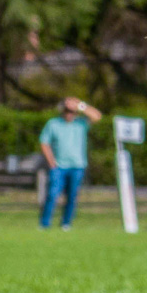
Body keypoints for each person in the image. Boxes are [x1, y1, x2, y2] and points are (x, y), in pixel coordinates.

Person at [38, 97, 103, 230]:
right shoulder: (53, 123)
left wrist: (80, 105)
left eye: (72, 111)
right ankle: (45, 224)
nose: (69, 114)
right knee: (52, 195)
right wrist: (51, 162)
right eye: (67, 111)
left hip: (77, 166)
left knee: (72, 197)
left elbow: (97, 116)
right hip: (58, 167)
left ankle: (66, 224)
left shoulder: (81, 123)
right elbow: (44, 142)